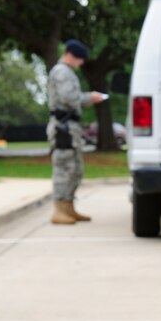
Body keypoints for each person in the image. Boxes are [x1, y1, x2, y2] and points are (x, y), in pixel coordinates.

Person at [47, 39, 103, 224]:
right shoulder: (62, 72)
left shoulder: (67, 72)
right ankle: (58, 209)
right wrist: (90, 97)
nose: (82, 63)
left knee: (76, 169)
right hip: (63, 127)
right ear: (71, 55)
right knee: (63, 168)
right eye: (80, 59)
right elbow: (69, 98)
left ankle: (68, 207)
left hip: (71, 128)